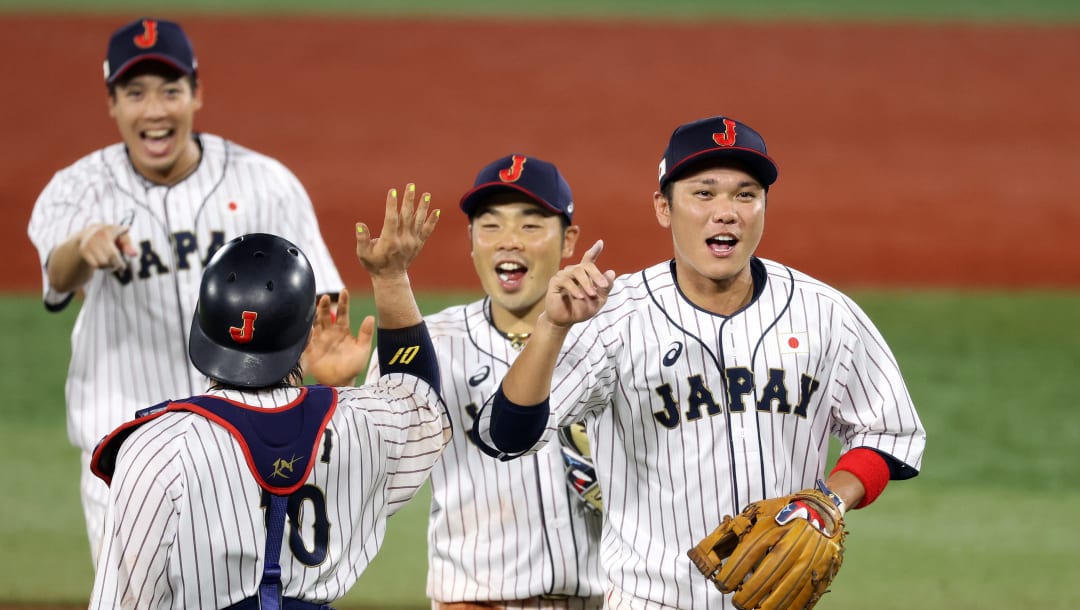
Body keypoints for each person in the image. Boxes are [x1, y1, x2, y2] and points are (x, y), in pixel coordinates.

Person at [472, 116, 927, 609]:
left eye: (745, 195)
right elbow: (505, 435)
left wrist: (828, 501)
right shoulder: (612, 318)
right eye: (704, 194)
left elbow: (888, 435)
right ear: (664, 208)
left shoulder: (826, 313)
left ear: (764, 208)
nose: (726, 213)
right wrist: (553, 328)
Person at [25, 17, 344, 564]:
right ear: (113, 103)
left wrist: (321, 386)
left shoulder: (265, 182)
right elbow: (58, 277)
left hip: (245, 450)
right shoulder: (77, 189)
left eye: (170, 91)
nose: (154, 110)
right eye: (136, 93)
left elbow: (322, 312)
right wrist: (83, 246)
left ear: (196, 94)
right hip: (124, 455)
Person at [87, 184, 450, 609]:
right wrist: (390, 277)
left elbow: (123, 601)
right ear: (306, 331)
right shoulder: (359, 426)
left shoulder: (157, 447)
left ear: (203, 327)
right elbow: (419, 395)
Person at [366, 154, 604, 609]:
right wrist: (338, 387)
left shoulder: (608, 345)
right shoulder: (431, 343)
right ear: (471, 241)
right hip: (476, 602)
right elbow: (373, 466)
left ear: (569, 239)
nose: (508, 241)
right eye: (490, 226)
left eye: (531, 226)